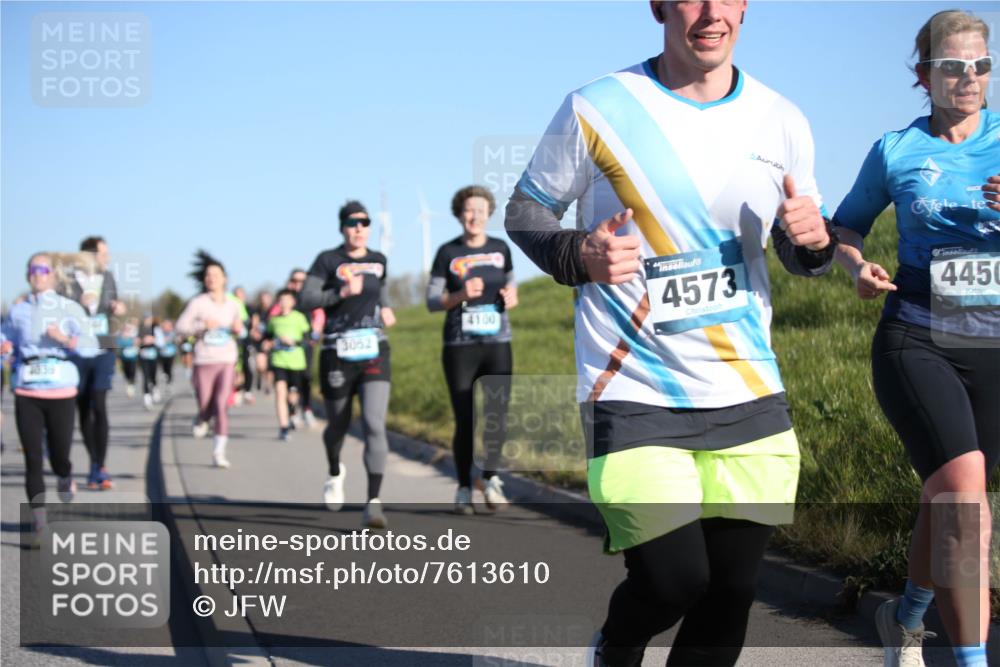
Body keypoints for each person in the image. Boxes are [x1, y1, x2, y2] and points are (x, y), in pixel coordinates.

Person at [504, 2, 837, 665]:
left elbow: (801, 247)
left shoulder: (783, 119)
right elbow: (525, 209)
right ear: (658, 5)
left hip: (747, 388)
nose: (711, 13)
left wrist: (815, 244)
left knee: (732, 590)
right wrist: (580, 255)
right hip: (632, 387)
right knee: (674, 580)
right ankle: (617, 645)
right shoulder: (595, 107)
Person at [832, 11, 999, 667]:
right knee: (964, 492)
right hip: (917, 333)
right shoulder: (895, 151)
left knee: (949, 495)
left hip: (990, 341)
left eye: (981, 66)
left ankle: (904, 615)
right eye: (953, 66)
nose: (969, 78)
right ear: (923, 74)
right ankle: (969, 660)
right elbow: (845, 228)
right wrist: (858, 268)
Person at [300, 200, 396, 529]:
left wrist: (386, 309)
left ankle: (373, 502)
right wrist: (339, 292)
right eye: (353, 223)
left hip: (374, 350)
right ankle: (334, 470)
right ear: (342, 227)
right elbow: (306, 299)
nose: (359, 228)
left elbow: (379, 290)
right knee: (338, 425)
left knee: (373, 423)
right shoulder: (327, 260)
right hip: (337, 352)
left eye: (365, 223)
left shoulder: (379, 260)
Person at [426, 185, 518, 514]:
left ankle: (490, 479)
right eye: (468, 210)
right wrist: (459, 295)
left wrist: (511, 296)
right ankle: (464, 487)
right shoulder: (446, 253)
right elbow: (432, 301)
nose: (474, 216)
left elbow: (511, 286)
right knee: (465, 419)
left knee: (496, 417)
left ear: (489, 213)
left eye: (480, 210)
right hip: (460, 347)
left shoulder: (500, 248)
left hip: (497, 343)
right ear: (458, 214)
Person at [2, 253, 96, 541]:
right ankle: (40, 522)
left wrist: (66, 339)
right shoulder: (18, 311)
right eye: (33, 269)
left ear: (54, 275)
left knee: (58, 456)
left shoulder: (69, 308)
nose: (37, 273)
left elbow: (92, 346)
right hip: (27, 389)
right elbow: (5, 337)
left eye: (43, 269)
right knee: (32, 457)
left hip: (60, 389)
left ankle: (65, 476)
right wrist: (4, 346)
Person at [62, 236, 127, 490]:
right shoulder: (67, 280)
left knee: (99, 403)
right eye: (103, 254)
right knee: (82, 406)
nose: (107, 258)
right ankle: (92, 461)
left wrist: (117, 307)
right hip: (77, 349)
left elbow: (113, 305)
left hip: (103, 346)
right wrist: (78, 305)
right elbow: (57, 309)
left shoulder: (108, 278)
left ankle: (100, 466)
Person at [176, 250, 244, 468]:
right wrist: (202, 326)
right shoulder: (198, 303)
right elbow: (180, 327)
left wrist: (237, 328)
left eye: (215, 274)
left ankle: (219, 451)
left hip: (227, 359)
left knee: (221, 404)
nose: (211, 278)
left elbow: (242, 330)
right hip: (204, 360)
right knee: (205, 403)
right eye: (208, 275)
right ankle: (202, 418)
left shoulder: (233, 304)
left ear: (224, 278)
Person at [272, 269, 323, 428]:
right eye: (295, 280)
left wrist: (314, 332)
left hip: (304, 345)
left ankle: (306, 409)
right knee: (286, 384)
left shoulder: (311, 297)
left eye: (302, 281)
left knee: (305, 378)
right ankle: (292, 412)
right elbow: (271, 318)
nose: (299, 284)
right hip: (284, 351)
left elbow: (320, 315)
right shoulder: (285, 300)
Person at [265, 289, 312, 441]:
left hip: (296, 363)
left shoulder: (299, 318)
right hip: (279, 361)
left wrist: (294, 342)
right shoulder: (274, 320)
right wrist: (269, 343)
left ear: (293, 302)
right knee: (280, 393)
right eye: (281, 299)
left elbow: (308, 339)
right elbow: (267, 338)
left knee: (292, 397)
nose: (284, 302)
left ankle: (292, 411)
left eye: (287, 299)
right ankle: (283, 427)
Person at [252, 291, 275, 396]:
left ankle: (268, 385)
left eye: (266, 298)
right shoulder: (257, 312)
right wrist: (254, 332)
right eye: (263, 299)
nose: (264, 301)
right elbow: (254, 326)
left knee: (270, 366)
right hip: (260, 341)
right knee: (261, 366)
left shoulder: (274, 311)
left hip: (271, 340)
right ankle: (263, 378)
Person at [138, 314, 160, 410]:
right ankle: (146, 398)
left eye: (149, 320)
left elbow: (162, 342)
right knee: (145, 376)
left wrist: (153, 340)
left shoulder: (156, 330)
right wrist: (142, 341)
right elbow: (134, 341)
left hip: (154, 356)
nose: (148, 321)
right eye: (146, 319)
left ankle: (154, 388)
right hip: (143, 356)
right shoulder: (139, 330)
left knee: (153, 375)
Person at [117, 317, 140, 397]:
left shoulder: (134, 334)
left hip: (133, 357)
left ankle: (131, 385)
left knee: (132, 371)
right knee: (126, 372)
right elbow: (119, 345)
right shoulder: (121, 336)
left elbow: (137, 343)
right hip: (124, 357)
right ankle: (128, 382)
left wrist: (136, 343)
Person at [157, 319, 178, 390]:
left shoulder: (173, 333)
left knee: (169, 368)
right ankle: (166, 376)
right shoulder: (160, 333)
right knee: (164, 368)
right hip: (162, 353)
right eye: (165, 325)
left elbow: (176, 341)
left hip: (171, 353)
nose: (166, 327)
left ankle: (169, 382)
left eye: (168, 325)